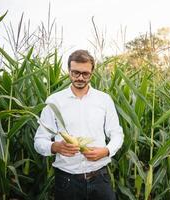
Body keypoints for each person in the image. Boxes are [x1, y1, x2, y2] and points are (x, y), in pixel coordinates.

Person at [34, 50, 124, 200]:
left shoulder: (104, 100)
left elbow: (117, 133)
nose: (80, 78)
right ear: (68, 71)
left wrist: (106, 151)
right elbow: (39, 140)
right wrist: (55, 147)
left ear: (92, 72)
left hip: (100, 177)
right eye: (75, 73)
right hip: (67, 181)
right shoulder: (54, 101)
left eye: (85, 74)